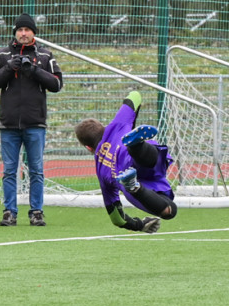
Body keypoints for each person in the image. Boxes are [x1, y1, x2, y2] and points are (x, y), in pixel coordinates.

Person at [0, 12, 63, 227]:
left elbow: (57, 84)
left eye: (27, 30)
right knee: (9, 170)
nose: (23, 33)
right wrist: (11, 67)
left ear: (33, 33)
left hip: (35, 124)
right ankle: (10, 211)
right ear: (15, 32)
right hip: (9, 124)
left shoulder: (46, 55)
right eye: (20, 30)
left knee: (36, 169)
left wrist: (34, 70)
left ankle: (36, 211)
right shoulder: (2, 54)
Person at [74, 91, 176, 233]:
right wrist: (132, 121)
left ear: (88, 148)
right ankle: (136, 146)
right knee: (148, 160)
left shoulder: (100, 171)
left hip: (130, 182)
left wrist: (139, 225)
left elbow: (117, 218)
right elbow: (135, 95)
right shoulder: (117, 124)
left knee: (169, 211)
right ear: (102, 127)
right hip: (142, 160)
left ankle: (134, 187)